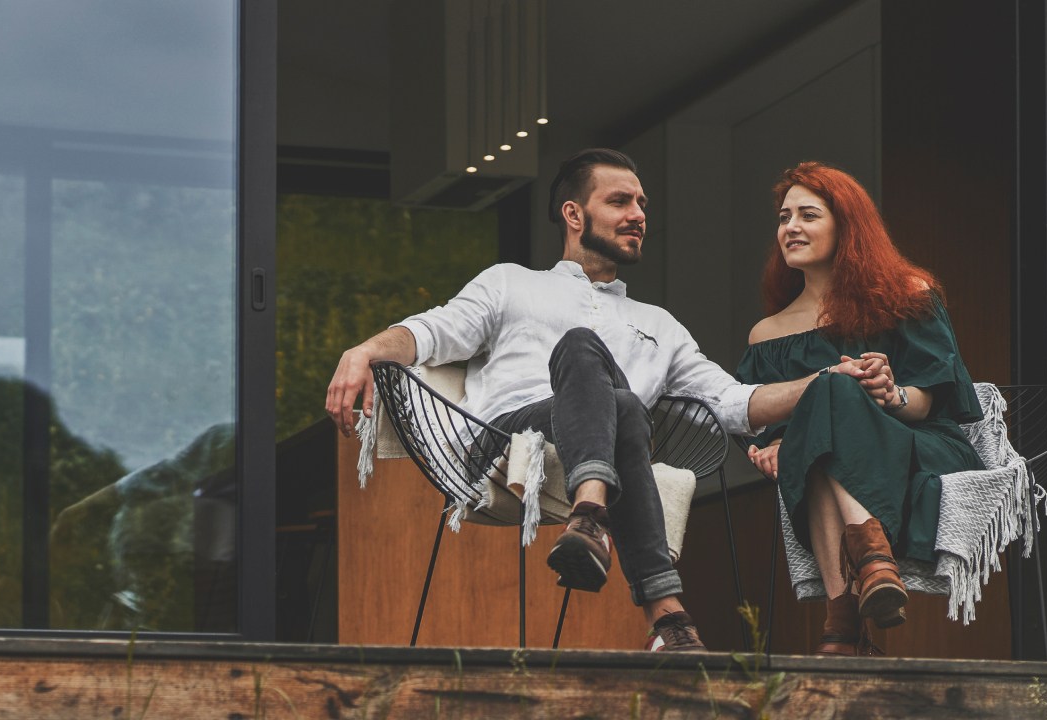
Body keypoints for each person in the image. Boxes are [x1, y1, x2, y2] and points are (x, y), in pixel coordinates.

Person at [324, 148, 877, 652]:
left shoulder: (659, 326)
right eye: (619, 201)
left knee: (626, 406)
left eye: (642, 203)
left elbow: (733, 401)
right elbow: (430, 333)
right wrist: (366, 350)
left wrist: (826, 381)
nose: (638, 213)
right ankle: (630, 564)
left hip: (610, 442)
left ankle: (641, 586)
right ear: (573, 215)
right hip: (505, 448)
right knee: (583, 349)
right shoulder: (510, 283)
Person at [737, 162, 985, 657]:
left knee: (835, 389)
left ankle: (842, 623)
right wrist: (770, 447)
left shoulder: (906, 297)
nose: (791, 228)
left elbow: (929, 403)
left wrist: (890, 393)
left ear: (846, 225)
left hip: (919, 448)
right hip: (823, 461)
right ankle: (871, 566)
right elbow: (761, 422)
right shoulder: (767, 334)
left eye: (808, 215)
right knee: (828, 407)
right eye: (784, 218)